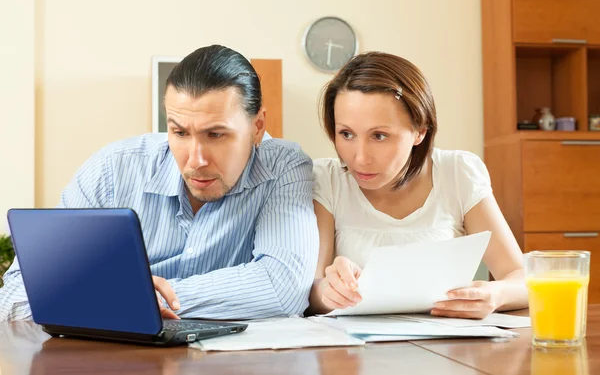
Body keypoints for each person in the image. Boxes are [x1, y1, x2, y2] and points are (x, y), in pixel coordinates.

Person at [0, 45, 319, 322]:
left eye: (216, 135)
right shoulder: (113, 169)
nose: (196, 159)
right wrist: (127, 302)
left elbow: (284, 286)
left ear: (257, 126)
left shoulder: (284, 166)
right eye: (180, 132)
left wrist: (139, 299)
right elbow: (16, 298)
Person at [307, 52, 528, 319]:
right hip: (356, 353)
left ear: (420, 131)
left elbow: (522, 279)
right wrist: (328, 292)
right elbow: (309, 293)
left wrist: (494, 295)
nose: (360, 157)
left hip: (447, 348)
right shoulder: (327, 180)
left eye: (379, 135)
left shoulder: (458, 173)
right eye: (347, 134)